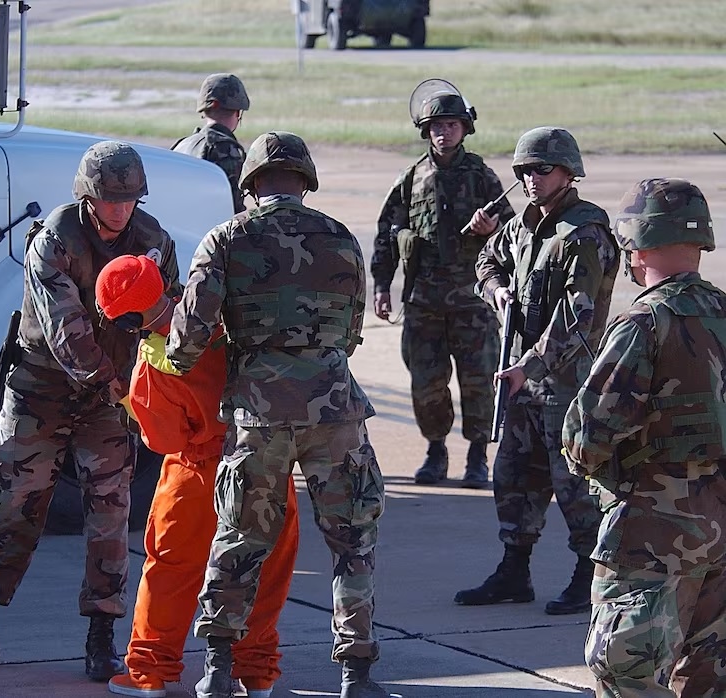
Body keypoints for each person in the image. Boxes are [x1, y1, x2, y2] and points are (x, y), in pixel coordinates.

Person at [0, 141, 180, 682]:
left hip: (107, 400)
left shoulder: (153, 240)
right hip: (41, 389)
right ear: (88, 196)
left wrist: (154, 381)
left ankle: (101, 636)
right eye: (110, 198)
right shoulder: (55, 240)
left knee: (111, 514)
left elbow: (166, 313)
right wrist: (117, 387)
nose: (120, 209)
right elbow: (66, 331)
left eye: (129, 199)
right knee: (13, 502)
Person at [166, 132, 388, 698]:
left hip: (259, 412)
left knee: (240, 538)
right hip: (335, 410)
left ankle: (217, 668)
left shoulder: (227, 238)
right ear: (304, 181)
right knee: (352, 542)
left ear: (253, 184)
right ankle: (355, 673)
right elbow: (353, 330)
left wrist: (174, 358)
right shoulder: (340, 237)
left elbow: (189, 336)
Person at [94, 255, 300, 698]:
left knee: (171, 569)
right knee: (266, 570)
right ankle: (257, 673)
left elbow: (166, 438)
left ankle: (150, 672)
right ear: (165, 285)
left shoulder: (154, 360)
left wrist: (133, 402)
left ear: (128, 319)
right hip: (267, 458)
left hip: (198, 470)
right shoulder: (233, 312)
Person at [563, 178, 726, 697]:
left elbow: (587, 438)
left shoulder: (643, 323)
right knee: (709, 678)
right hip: (720, 531)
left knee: (625, 674)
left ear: (637, 243)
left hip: (650, 539)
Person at [456, 126, 617, 615]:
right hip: (525, 382)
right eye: (524, 170)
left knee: (574, 484)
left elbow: (578, 314)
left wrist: (529, 364)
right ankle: (514, 569)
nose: (530, 179)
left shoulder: (584, 232)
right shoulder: (524, 224)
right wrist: (497, 290)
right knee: (514, 476)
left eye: (541, 170)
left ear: (569, 173)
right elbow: (488, 259)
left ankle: (588, 574)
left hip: (567, 382)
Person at [370, 78, 515, 488]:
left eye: (451, 124)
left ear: (465, 128)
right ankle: (435, 451)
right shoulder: (411, 178)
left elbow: (513, 236)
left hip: (472, 301)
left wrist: (492, 230)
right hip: (424, 301)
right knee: (426, 383)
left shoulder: (483, 176)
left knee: (479, 380)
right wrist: (382, 285)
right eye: (436, 125)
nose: (443, 131)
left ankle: (476, 458)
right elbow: (387, 233)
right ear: (424, 130)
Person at [172, 73, 250, 214]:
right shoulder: (226, 149)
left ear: (204, 111)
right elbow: (232, 209)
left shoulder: (182, 145)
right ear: (238, 113)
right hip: (209, 231)